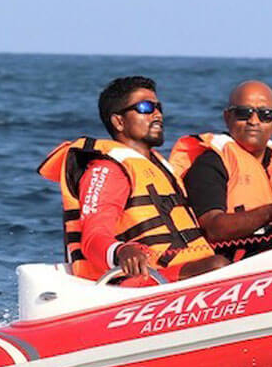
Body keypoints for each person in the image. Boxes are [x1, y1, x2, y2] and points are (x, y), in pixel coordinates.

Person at [38, 76, 228, 282]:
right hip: (144, 280)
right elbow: (93, 237)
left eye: (158, 107)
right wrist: (122, 252)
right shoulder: (108, 169)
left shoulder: (160, 167)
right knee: (218, 266)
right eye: (146, 108)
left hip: (187, 269)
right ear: (119, 121)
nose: (157, 114)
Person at [169, 80, 272, 261]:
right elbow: (213, 228)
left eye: (265, 115)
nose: (254, 121)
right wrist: (269, 213)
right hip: (235, 264)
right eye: (243, 113)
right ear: (227, 117)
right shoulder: (209, 164)